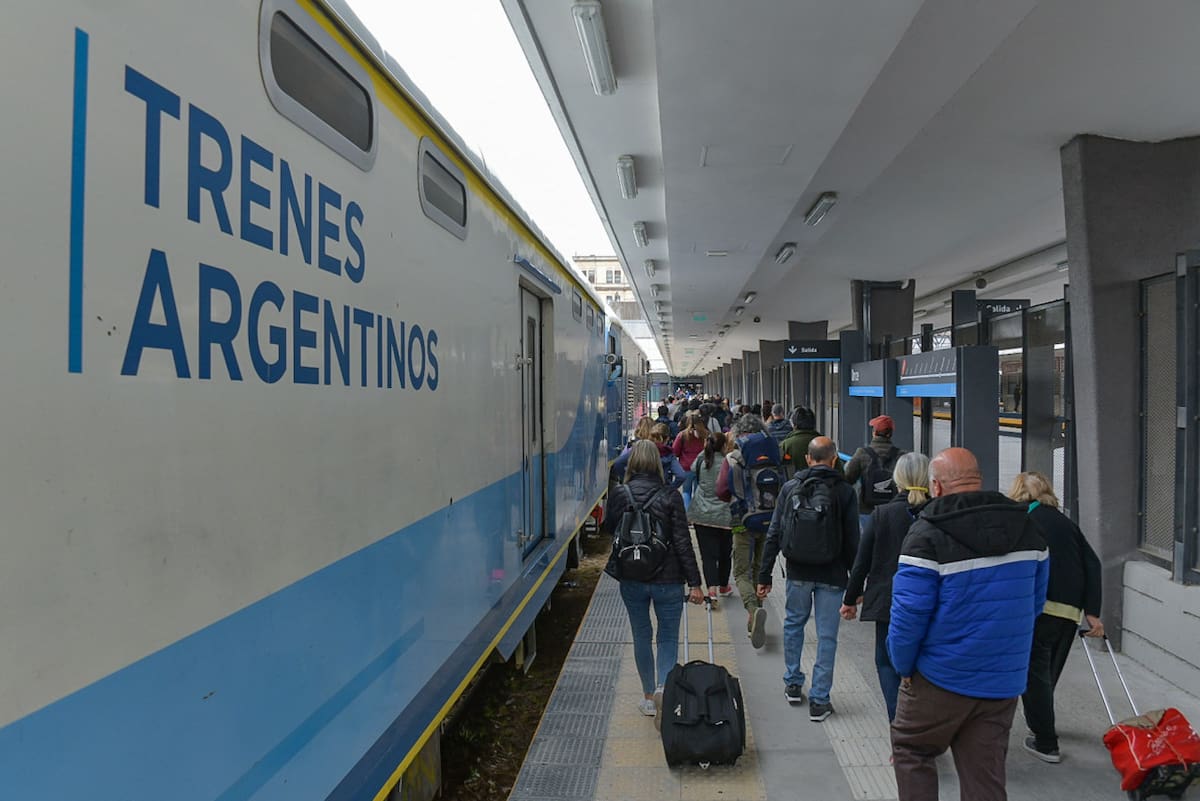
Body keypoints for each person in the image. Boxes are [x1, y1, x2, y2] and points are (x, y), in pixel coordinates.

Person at [888, 448, 1049, 801]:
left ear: (937, 487)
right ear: (977, 478)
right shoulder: (1028, 528)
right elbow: (1035, 603)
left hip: (940, 675)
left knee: (912, 750)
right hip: (1003, 678)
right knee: (985, 772)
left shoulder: (926, 535)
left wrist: (903, 665)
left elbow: (908, 616)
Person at [757, 436, 859, 722]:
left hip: (798, 571)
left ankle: (792, 682)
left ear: (808, 459)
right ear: (834, 459)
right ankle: (819, 700)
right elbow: (853, 541)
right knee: (827, 637)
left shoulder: (790, 488)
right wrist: (856, 586)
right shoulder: (845, 491)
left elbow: (774, 532)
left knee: (793, 624)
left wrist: (764, 573)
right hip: (833, 574)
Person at [604, 440, 705, 720]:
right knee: (668, 637)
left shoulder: (620, 493)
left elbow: (609, 530)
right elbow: (683, 542)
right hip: (669, 579)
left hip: (631, 578)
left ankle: (648, 697)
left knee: (641, 634)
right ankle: (665, 691)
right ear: (659, 465)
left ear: (632, 462)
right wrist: (695, 583)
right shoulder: (670, 495)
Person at [1008, 471, 1104, 764]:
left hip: (1039, 607)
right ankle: (1042, 721)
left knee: (1034, 675)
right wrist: (1093, 613)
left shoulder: (1023, 520)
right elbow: (1093, 563)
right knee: (1046, 674)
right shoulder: (1065, 523)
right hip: (1069, 611)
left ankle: (1046, 741)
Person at [840, 452, 931, 722]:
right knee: (924, 664)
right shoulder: (938, 512)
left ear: (897, 480)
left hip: (888, 603)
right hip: (931, 604)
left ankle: (900, 727)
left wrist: (850, 598)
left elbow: (862, 563)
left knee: (887, 663)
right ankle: (927, 724)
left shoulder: (883, 513)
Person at [716, 414, 771, 648]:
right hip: (769, 519)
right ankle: (755, 618)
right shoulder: (772, 454)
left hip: (741, 520)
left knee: (740, 572)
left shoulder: (732, 457)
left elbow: (721, 491)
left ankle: (752, 608)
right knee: (760, 568)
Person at [688, 431, 734, 601]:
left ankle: (711, 590)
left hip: (702, 513)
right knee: (725, 552)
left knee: (707, 555)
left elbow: (692, 469)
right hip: (724, 514)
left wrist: (705, 449)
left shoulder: (702, 459)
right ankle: (723, 586)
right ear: (723, 445)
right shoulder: (729, 461)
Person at [844, 415, 903, 529]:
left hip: (867, 509)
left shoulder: (862, 453)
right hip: (892, 509)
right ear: (890, 434)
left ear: (874, 433)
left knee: (867, 541)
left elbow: (847, 478)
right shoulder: (901, 456)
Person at [672, 411, 708, 505]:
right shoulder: (705, 435)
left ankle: (687, 513)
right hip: (701, 467)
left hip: (686, 467)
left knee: (686, 492)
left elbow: (674, 451)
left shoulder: (682, 435)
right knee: (698, 492)